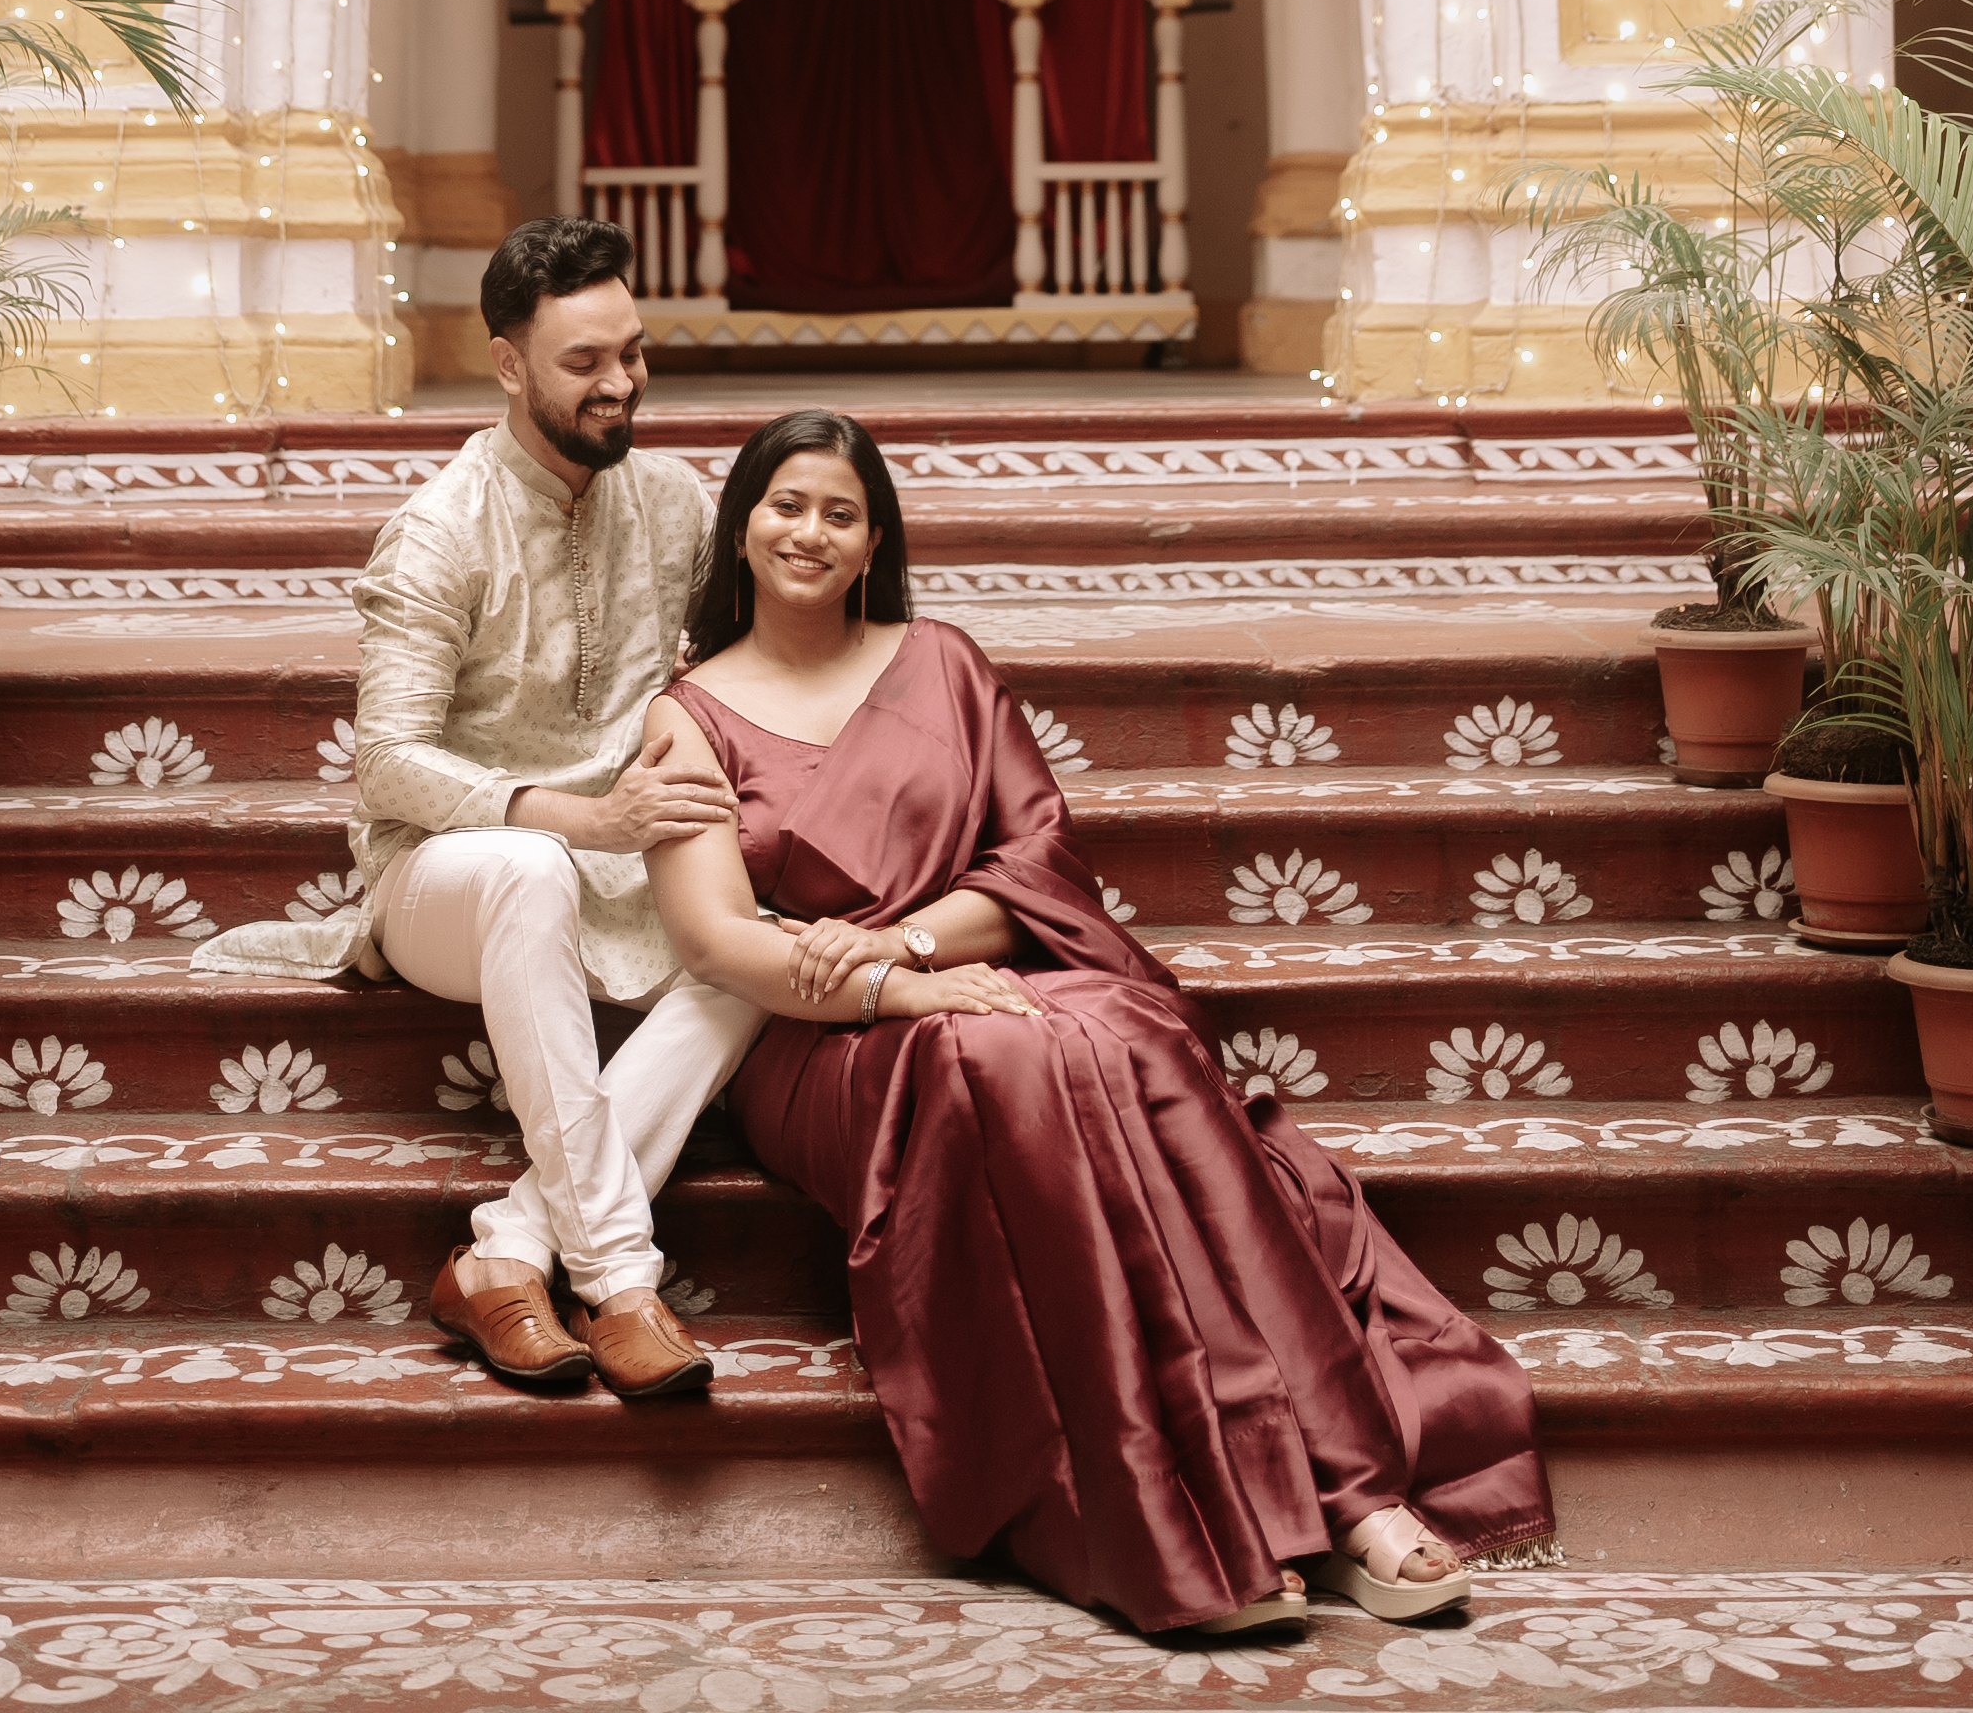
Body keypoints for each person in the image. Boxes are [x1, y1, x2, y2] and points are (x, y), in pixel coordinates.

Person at [640, 408, 1556, 1642]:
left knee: (1120, 1034)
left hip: (964, 964)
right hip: (819, 1038)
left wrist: (914, 939)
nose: (810, 532)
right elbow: (713, 940)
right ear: (740, 529)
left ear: (874, 542)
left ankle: (1343, 1494)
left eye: (840, 513)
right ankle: (1172, 1521)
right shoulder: (688, 716)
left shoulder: (944, 664)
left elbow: (1037, 859)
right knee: (1000, 1055)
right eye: (785, 505)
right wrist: (891, 989)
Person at [201, 215, 760, 1398]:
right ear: (509, 364)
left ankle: (505, 1255)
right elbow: (388, 763)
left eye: (633, 354)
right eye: (585, 364)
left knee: (754, 944)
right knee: (531, 869)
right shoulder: (440, 529)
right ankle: (618, 1277)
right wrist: (577, 816)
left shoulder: (671, 503)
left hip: (624, 868)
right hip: (447, 877)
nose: (621, 386)